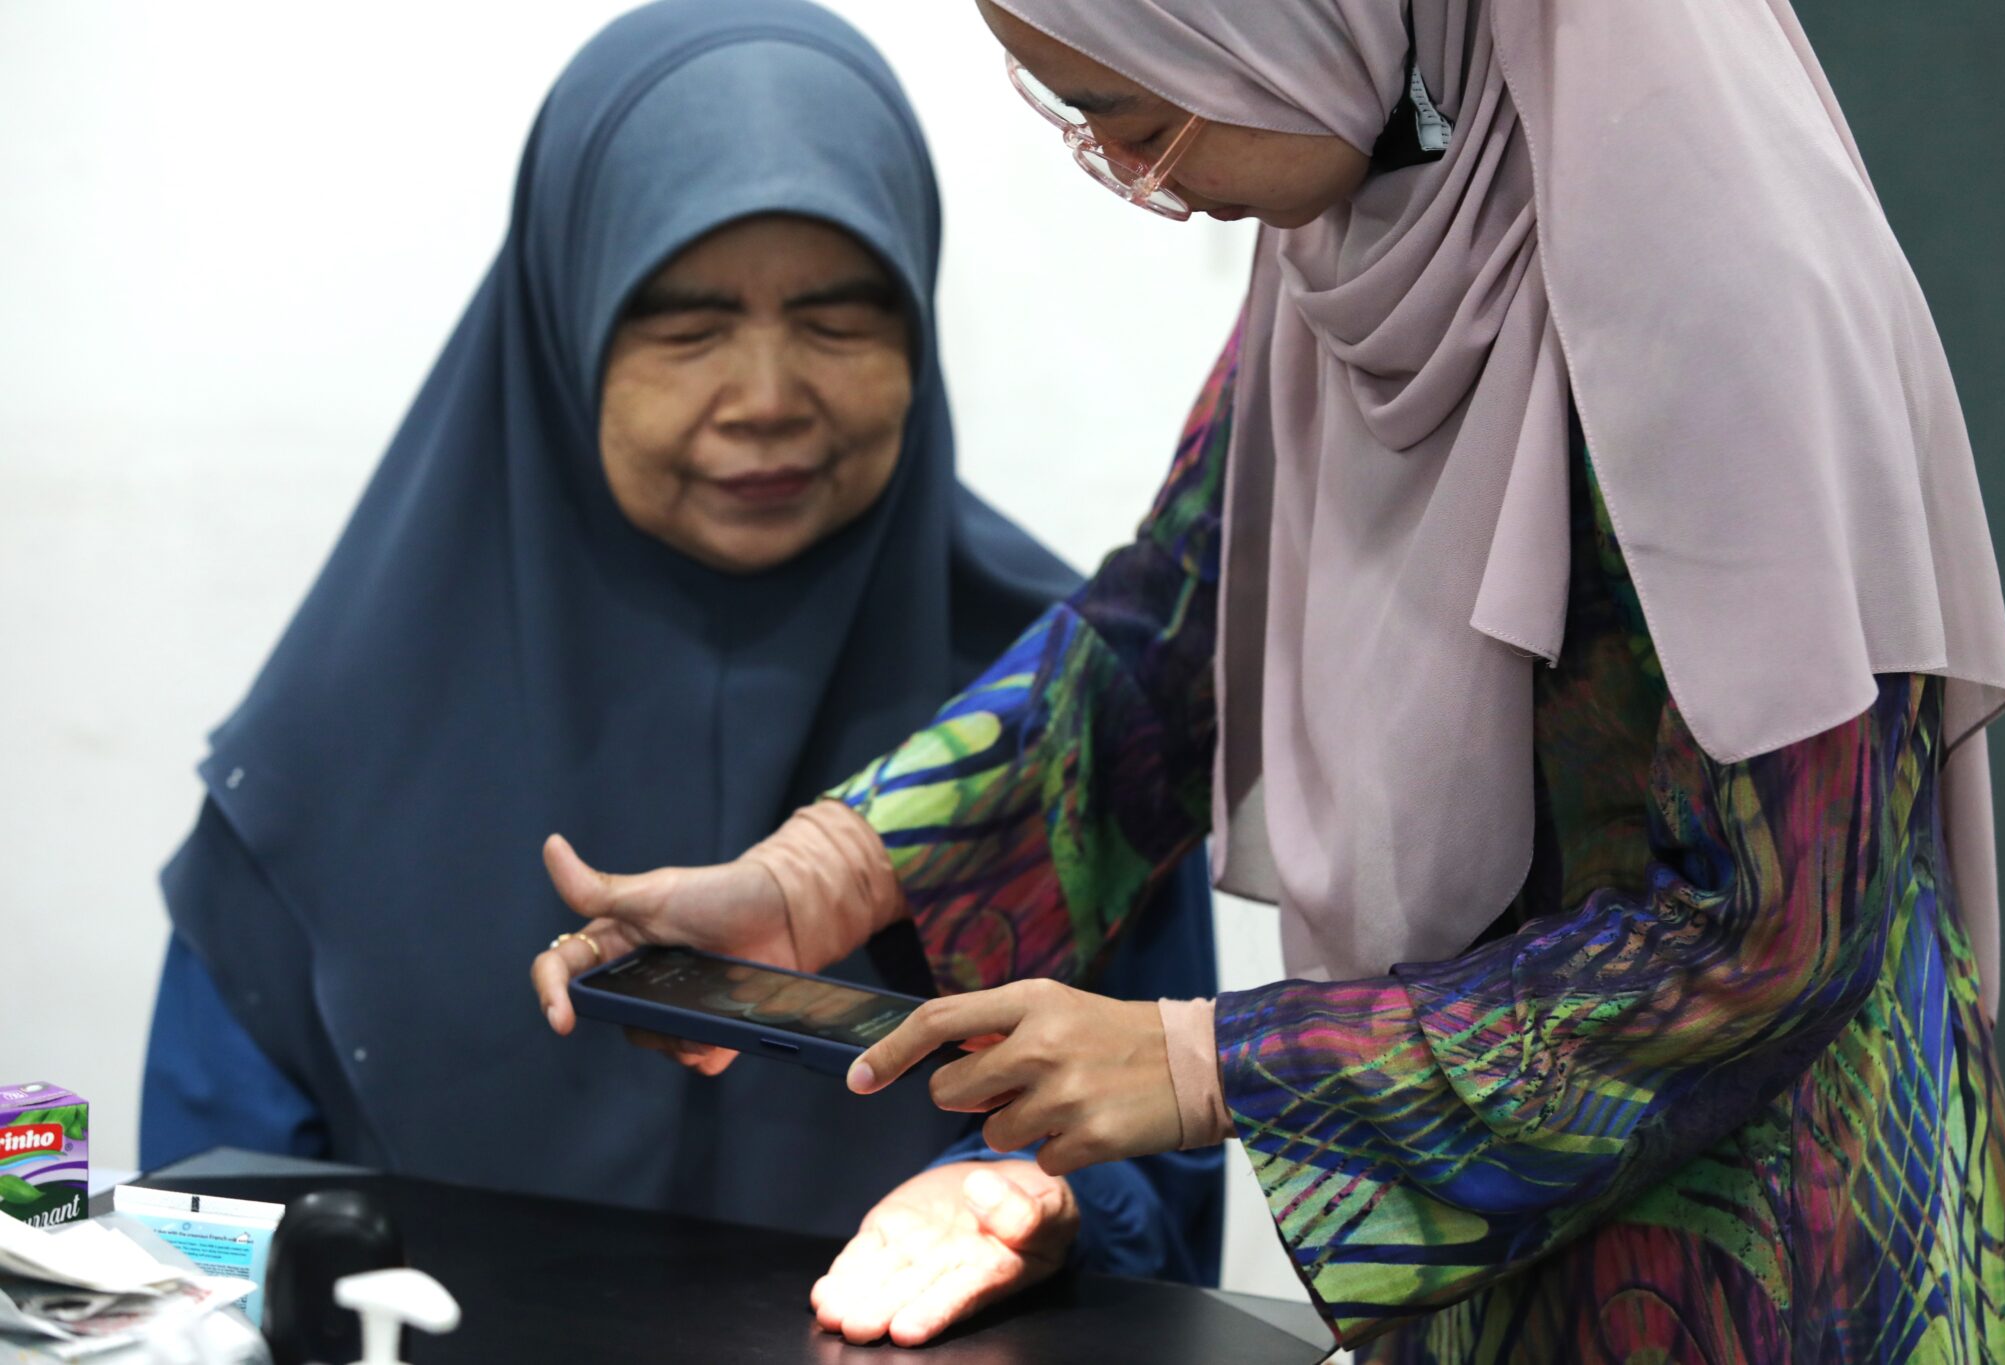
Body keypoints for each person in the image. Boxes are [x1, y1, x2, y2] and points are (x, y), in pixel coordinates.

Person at [533, 0, 2005, 1358]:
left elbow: (1771, 931)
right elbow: (1177, 619)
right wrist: (817, 880)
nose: (1131, 175)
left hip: (1763, 1268)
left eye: (1137, 114)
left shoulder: (1724, 294)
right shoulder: (1383, 215)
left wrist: (1211, 1064)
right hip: (1485, 1265)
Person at [141, 0, 1223, 1337]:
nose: (765, 394)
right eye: (687, 325)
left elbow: (1161, 1178)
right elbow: (197, 1251)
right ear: (564, 326)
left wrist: (1031, 1197)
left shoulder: (1076, 712)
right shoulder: (332, 754)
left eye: (838, 319)